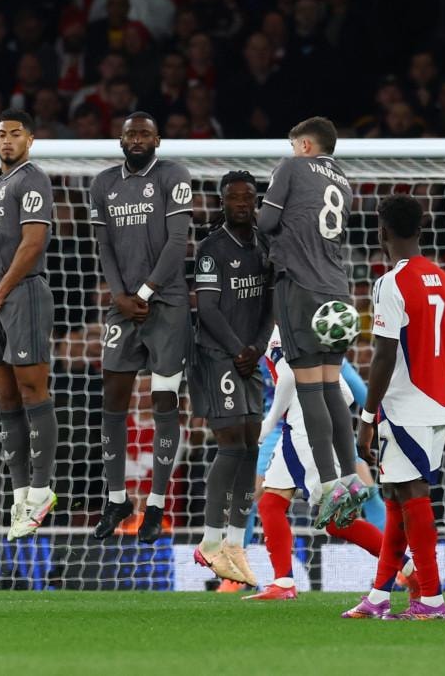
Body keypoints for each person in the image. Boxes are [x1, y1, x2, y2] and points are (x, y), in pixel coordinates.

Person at [343, 194, 445, 620]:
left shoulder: (391, 283)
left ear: (382, 231)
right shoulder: (443, 280)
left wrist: (367, 418)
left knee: (412, 495)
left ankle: (432, 598)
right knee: (394, 496)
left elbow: (384, 355)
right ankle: (380, 594)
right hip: (437, 402)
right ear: (420, 230)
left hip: (406, 406)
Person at [244, 327, 416, 600]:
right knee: (272, 503)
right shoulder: (305, 334)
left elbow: (287, 377)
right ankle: (283, 582)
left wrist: (270, 421)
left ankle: (409, 568)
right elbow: (346, 393)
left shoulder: (276, 332)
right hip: (304, 428)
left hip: (304, 431)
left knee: (333, 518)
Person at [88, 111, 193, 544]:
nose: (136, 139)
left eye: (144, 134)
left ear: (157, 140)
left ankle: (155, 505)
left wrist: (144, 293)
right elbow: (104, 245)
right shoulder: (102, 184)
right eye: (130, 133)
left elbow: (177, 242)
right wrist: (119, 295)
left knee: (164, 402)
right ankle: (117, 499)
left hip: (166, 306)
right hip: (124, 307)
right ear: (120, 139)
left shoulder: (173, 175)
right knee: (113, 399)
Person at [257, 116, 367, 528]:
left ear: (305, 145)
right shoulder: (343, 182)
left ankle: (327, 485)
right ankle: (351, 478)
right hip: (337, 290)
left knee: (309, 389)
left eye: (293, 145)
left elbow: (266, 222)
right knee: (331, 386)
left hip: (300, 287)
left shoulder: (292, 167)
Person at [0, 109, 59, 540]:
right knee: (4, 395)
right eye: (1, 134)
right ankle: (20, 494)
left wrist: (2, 288)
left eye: (15, 134)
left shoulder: (33, 179)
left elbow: (33, 242)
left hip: (24, 293)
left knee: (31, 389)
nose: (6, 140)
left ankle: (42, 491)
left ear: (30, 140)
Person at [188, 171, 273, 585]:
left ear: (256, 201)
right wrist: (239, 349)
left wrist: (257, 348)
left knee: (251, 445)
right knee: (231, 442)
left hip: (250, 357)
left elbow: (271, 303)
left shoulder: (265, 245)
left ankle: (236, 543)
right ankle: (209, 542)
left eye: (248, 197)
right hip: (217, 355)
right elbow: (207, 307)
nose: (241, 203)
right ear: (222, 202)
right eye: (234, 197)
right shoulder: (211, 248)